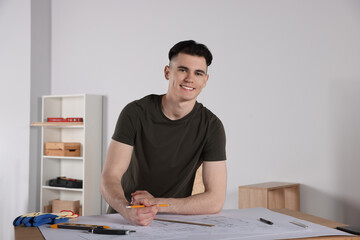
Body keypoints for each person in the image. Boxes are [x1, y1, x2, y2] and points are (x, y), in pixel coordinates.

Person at [100, 40, 227, 226]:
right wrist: (127, 210)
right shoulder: (135, 113)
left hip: (172, 221)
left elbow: (215, 200)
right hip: (125, 218)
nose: (190, 79)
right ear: (167, 72)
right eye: (183, 70)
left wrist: (157, 204)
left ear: (205, 80)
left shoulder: (212, 126)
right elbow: (109, 177)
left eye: (198, 73)